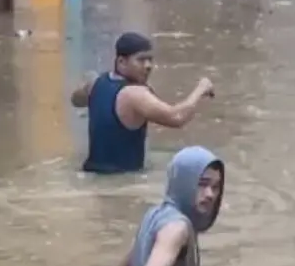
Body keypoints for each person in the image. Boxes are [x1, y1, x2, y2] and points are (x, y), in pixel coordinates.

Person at [70, 32, 215, 174]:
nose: (148, 66)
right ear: (121, 62)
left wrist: (90, 89)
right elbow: (177, 118)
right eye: (141, 60)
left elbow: (75, 100)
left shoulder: (96, 83)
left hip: (91, 174)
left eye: (150, 60)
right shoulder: (135, 95)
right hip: (123, 184)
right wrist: (201, 89)